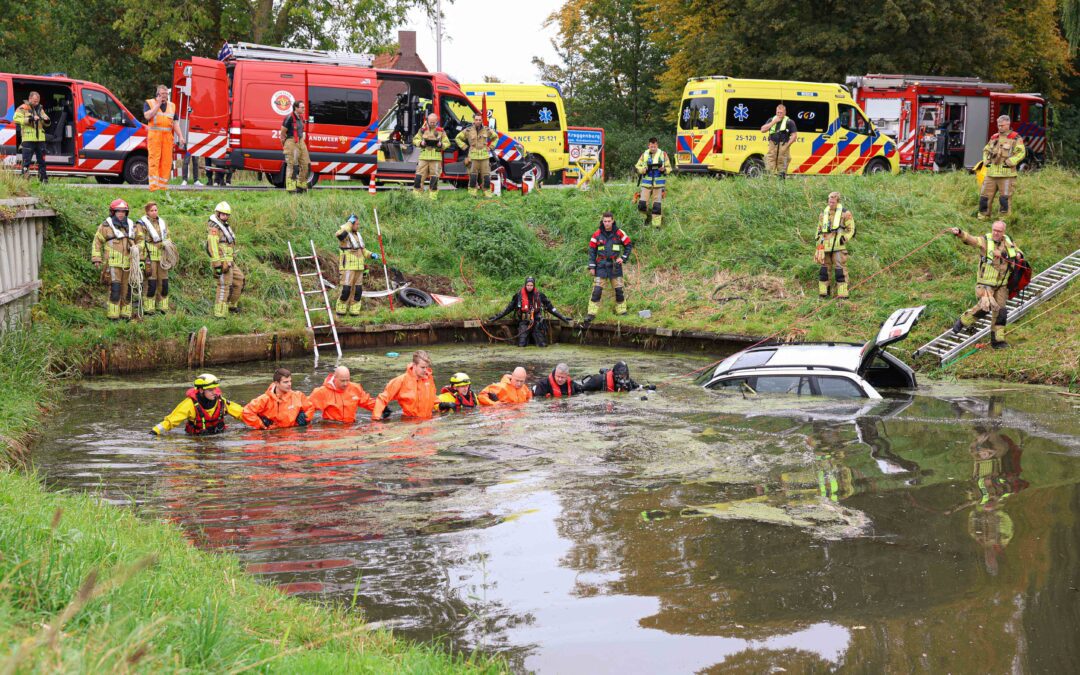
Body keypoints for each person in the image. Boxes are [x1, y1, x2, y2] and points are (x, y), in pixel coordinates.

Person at [945, 220, 1023, 349]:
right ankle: (964, 321)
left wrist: (1009, 254)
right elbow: (971, 240)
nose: (996, 233)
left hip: (1002, 285)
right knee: (984, 308)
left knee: (1001, 313)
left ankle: (998, 341)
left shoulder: (1008, 242)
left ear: (1004, 232)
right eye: (995, 230)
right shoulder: (985, 241)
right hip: (986, 285)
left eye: (999, 231)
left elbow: (1019, 254)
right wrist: (959, 233)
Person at [91, 198, 142, 320]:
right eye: (118, 211)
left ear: (126, 213)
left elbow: (141, 240)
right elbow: (97, 242)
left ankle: (126, 315)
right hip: (112, 265)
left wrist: (137, 248)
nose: (121, 214)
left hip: (129, 264)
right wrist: (96, 258)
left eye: (123, 211)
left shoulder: (132, 226)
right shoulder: (105, 226)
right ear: (113, 212)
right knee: (115, 290)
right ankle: (113, 316)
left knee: (128, 290)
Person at [487, 276, 572, 347]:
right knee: (521, 344)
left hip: (537, 322)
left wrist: (562, 317)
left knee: (542, 344)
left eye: (531, 285)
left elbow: (551, 308)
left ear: (534, 285)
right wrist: (496, 317)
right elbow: (508, 309)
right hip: (524, 322)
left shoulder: (540, 295)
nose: (529, 287)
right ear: (525, 285)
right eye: (528, 285)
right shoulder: (519, 295)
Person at [151, 373, 244, 436]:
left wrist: (258, 422)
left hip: (219, 438)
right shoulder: (189, 404)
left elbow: (242, 413)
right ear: (201, 390)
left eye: (215, 389)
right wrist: (154, 432)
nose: (215, 393)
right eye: (211, 390)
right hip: (196, 440)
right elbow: (170, 422)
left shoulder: (221, 402)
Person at [585, 212, 632, 325]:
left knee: (619, 290)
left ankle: (622, 312)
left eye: (608, 221)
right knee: (597, 291)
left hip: (615, 265)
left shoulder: (619, 233)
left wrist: (623, 258)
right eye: (604, 221)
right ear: (602, 221)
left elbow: (628, 245)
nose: (606, 223)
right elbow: (592, 252)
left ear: (613, 221)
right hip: (601, 265)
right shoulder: (596, 234)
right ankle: (591, 314)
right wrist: (592, 266)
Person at [979, 115, 1026, 219]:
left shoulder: (1015, 137)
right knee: (984, 197)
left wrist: (1010, 161)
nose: (999, 127)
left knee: (1004, 199)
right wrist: (986, 160)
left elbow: (1021, 153)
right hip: (991, 174)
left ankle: (1003, 221)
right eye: (998, 125)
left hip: (1006, 175)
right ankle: (983, 217)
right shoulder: (994, 137)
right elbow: (986, 150)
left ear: (1008, 124)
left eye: (1002, 125)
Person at [335, 214, 381, 318]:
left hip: (359, 268)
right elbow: (339, 235)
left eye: (358, 224)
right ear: (350, 224)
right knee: (346, 290)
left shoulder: (358, 235)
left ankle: (354, 310)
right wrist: (349, 224)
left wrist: (371, 254)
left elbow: (362, 250)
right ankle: (341, 309)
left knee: (358, 290)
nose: (358, 226)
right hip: (348, 267)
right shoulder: (344, 235)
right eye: (356, 224)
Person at [371, 350, 437, 420]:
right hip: (410, 423)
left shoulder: (429, 379)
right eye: (422, 367)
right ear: (414, 365)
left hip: (428, 422)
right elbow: (382, 399)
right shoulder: (401, 380)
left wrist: (440, 405)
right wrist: (376, 420)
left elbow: (432, 397)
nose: (425, 370)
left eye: (427, 367)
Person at [814, 191, 856, 299]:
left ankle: (842, 294)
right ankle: (823, 294)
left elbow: (852, 229)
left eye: (833, 201)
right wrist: (818, 241)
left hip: (838, 246)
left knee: (840, 271)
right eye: (829, 201)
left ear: (837, 201)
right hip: (824, 247)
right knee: (823, 271)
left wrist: (844, 238)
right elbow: (819, 229)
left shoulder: (845, 213)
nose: (830, 203)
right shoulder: (823, 214)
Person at [242, 368, 315, 429]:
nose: (289, 384)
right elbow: (247, 412)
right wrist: (261, 425)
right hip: (272, 436)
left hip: (293, 435)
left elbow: (310, 408)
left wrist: (305, 418)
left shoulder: (298, 396)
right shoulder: (264, 399)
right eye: (286, 382)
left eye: (290, 381)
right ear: (276, 383)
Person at [207, 201, 244, 318]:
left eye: (227, 215)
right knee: (223, 285)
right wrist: (218, 265)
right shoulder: (214, 228)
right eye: (223, 214)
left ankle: (231, 306)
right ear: (217, 214)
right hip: (222, 262)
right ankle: (219, 314)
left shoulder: (225, 226)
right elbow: (213, 247)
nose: (225, 217)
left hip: (230, 261)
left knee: (240, 280)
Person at [143, 85, 181, 192]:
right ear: (157, 95)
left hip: (167, 139)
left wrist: (181, 136)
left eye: (166, 94)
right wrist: (158, 105)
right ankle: (154, 187)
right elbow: (147, 116)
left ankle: (163, 187)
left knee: (166, 162)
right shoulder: (149, 103)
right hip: (154, 138)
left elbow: (175, 123)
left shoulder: (172, 106)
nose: (165, 96)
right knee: (154, 161)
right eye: (162, 94)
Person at [309, 366, 376, 423]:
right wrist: (303, 418)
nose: (345, 384)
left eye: (347, 380)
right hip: (330, 428)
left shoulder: (355, 388)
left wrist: (383, 408)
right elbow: (307, 406)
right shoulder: (322, 392)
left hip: (351, 426)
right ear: (335, 378)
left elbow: (368, 402)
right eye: (342, 381)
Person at [137, 202, 171, 314]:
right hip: (149, 258)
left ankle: (163, 308)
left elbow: (168, 237)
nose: (154, 212)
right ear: (147, 212)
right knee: (151, 284)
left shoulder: (162, 223)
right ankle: (148, 309)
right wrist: (142, 259)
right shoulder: (141, 224)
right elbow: (139, 241)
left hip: (162, 257)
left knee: (164, 283)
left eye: (156, 210)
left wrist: (168, 249)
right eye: (152, 210)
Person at [456, 112, 498, 196]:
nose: (478, 121)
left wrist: (491, 147)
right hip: (473, 157)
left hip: (484, 157)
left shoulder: (487, 130)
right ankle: (472, 194)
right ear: (474, 120)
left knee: (486, 176)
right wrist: (465, 147)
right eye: (476, 120)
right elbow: (458, 138)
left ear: (482, 120)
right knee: (473, 176)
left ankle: (487, 194)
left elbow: (495, 137)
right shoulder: (468, 130)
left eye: (479, 120)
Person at [634, 137, 672, 227]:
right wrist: (643, 169)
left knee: (657, 206)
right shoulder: (644, 154)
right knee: (642, 204)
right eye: (651, 147)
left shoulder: (663, 154)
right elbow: (637, 166)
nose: (653, 148)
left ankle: (656, 226)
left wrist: (664, 169)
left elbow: (669, 168)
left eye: (654, 147)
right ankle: (643, 221)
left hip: (658, 185)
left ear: (657, 145)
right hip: (646, 184)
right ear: (649, 145)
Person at [412, 113, 450, 199]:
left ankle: (432, 198)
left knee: (434, 179)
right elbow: (415, 140)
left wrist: (441, 145)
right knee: (418, 177)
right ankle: (416, 198)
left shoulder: (441, 131)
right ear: (427, 121)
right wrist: (420, 143)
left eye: (434, 122)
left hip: (435, 158)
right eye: (431, 122)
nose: (432, 124)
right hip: (423, 157)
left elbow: (447, 143)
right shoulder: (422, 130)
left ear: (437, 121)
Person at [14, 91, 48, 183]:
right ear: (29, 99)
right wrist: (30, 119)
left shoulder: (40, 109)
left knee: (42, 162)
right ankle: (25, 181)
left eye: (37, 101)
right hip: (28, 139)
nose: (36, 103)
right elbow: (16, 119)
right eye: (34, 101)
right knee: (26, 162)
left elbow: (46, 122)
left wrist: (46, 119)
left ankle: (43, 180)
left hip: (40, 139)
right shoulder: (23, 107)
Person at [759, 104, 797, 178]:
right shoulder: (771, 120)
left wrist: (787, 145)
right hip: (772, 147)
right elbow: (762, 129)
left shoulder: (789, 122)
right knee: (769, 167)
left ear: (785, 112)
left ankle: (781, 186)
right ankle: (769, 185)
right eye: (778, 112)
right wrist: (774, 122)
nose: (779, 114)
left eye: (781, 112)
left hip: (783, 147)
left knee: (782, 168)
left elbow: (794, 136)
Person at [280, 100, 310, 193]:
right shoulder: (289, 118)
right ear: (296, 108)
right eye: (302, 107)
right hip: (291, 141)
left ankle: (301, 185)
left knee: (306, 164)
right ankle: (291, 188)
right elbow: (282, 134)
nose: (304, 109)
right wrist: (285, 145)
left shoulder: (300, 117)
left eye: (304, 107)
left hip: (300, 141)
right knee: (292, 165)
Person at [577, 361, 654, 393]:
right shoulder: (598, 380)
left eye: (625, 376)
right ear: (615, 374)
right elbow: (581, 389)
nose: (623, 378)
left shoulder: (627, 381)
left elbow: (638, 387)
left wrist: (648, 387)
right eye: (621, 376)